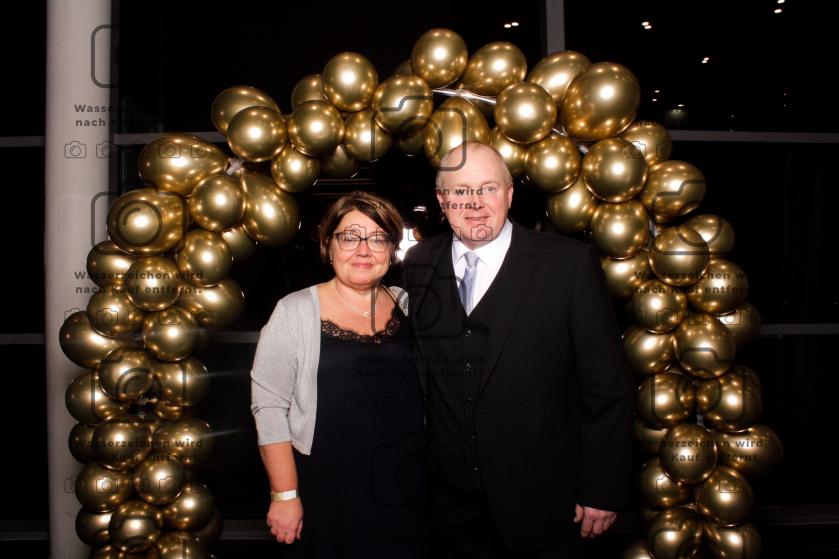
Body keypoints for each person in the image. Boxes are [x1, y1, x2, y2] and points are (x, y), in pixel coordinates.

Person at [401, 142, 634, 558]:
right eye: (461, 191)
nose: (475, 203)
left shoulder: (568, 265)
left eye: (487, 188)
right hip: (449, 506)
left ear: (509, 194)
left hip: (546, 500)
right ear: (442, 200)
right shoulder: (418, 263)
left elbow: (607, 388)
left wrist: (602, 486)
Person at [250, 192, 428, 558]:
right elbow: (269, 407)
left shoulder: (408, 304)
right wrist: (284, 495)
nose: (363, 250)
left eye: (377, 238)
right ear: (328, 245)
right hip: (326, 489)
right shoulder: (294, 311)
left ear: (391, 249)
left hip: (407, 487)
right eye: (349, 237)